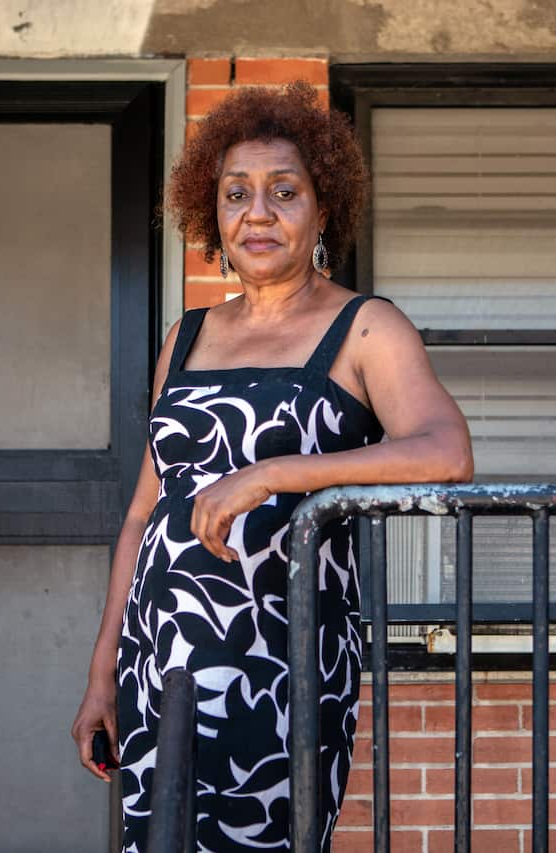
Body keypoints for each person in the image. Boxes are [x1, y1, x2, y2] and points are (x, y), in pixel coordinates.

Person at [71, 80, 473, 852]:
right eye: (236, 193)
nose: (258, 212)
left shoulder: (365, 327)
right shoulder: (184, 337)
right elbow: (139, 516)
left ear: (322, 210)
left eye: (284, 191)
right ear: (211, 212)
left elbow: (446, 451)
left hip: (281, 652)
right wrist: (101, 672)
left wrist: (271, 474)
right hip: (162, 654)